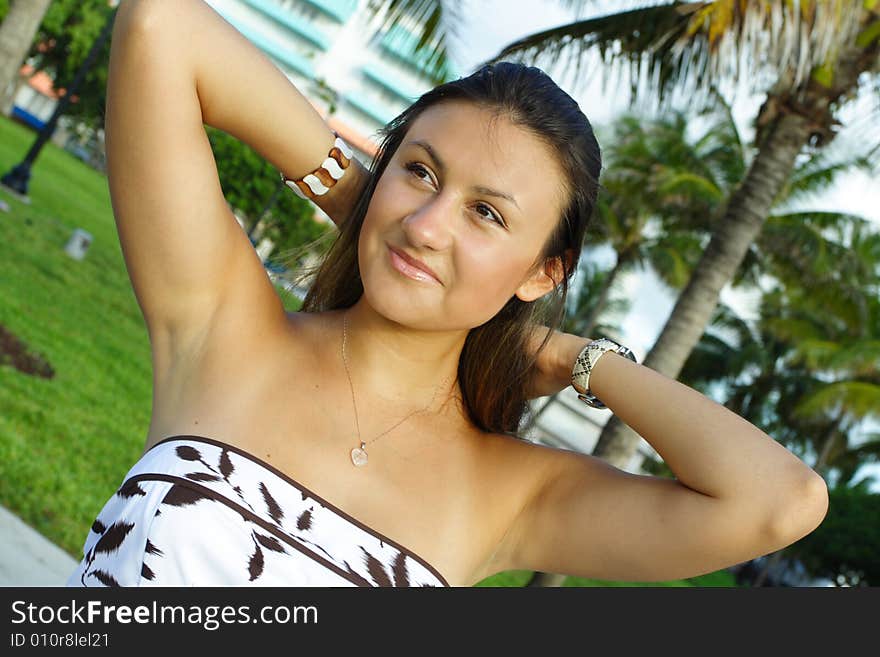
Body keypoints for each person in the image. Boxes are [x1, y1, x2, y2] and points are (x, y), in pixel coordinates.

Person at [67, 0, 828, 588]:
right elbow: (162, 26)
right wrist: (364, 209)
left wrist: (570, 357)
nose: (429, 224)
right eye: (421, 171)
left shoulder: (510, 492)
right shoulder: (225, 330)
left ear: (542, 272)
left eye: (487, 213)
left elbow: (780, 501)